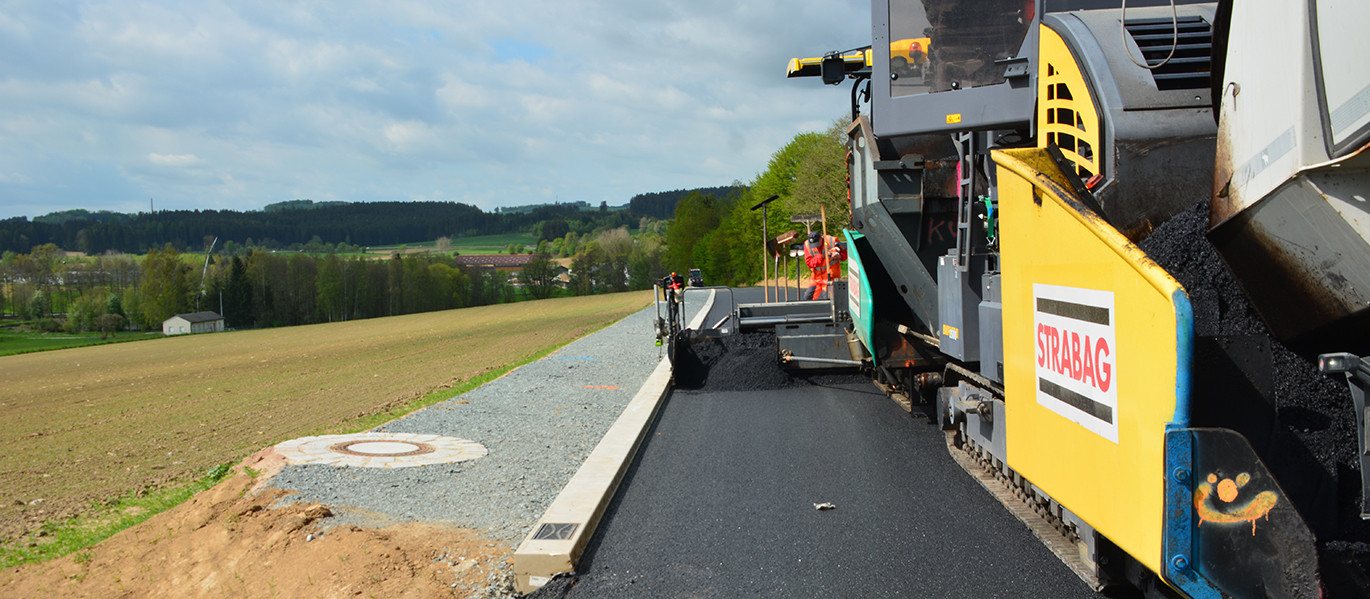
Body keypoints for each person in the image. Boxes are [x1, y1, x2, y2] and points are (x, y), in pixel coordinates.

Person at [802, 230, 846, 300]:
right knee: (807, 299)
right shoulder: (807, 245)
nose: (816, 247)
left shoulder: (832, 240)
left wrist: (839, 256)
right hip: (816, 278)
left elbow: (845, 254)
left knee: (828, 299)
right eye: (813, 245)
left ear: (821, 238)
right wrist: (822, 256)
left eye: (817, 244)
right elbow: (809, 263)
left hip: (830, 278)